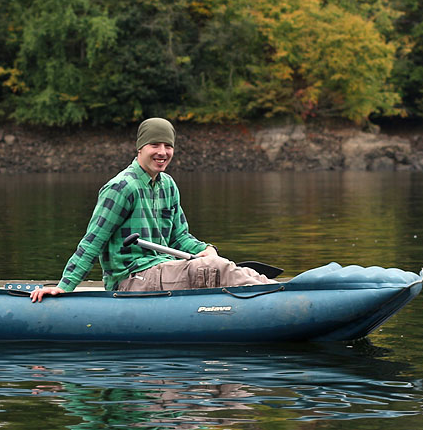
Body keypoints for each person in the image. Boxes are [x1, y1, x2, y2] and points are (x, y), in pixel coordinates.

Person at [29, 118, 267, 303]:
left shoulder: (168, 185)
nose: (162, 152)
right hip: (131, 279)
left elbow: (179, 237)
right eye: (155, 145)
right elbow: (93, 241)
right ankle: (272, 294)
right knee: (212, 269)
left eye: (168, 146)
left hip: (163, 268)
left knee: (217, 262)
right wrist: (65, 284)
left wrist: (205, 248)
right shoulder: (121, 187)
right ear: (140, 148)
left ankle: (269, 287)